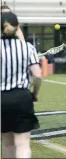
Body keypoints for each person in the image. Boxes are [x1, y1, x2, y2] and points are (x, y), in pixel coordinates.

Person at [1, 12, 42, 158]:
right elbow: (37, 75)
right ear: (18, 27)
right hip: (22, 97)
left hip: (2, 98)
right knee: (23, 144)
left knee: (7, 144)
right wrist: (35, 93)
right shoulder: (27, 47)